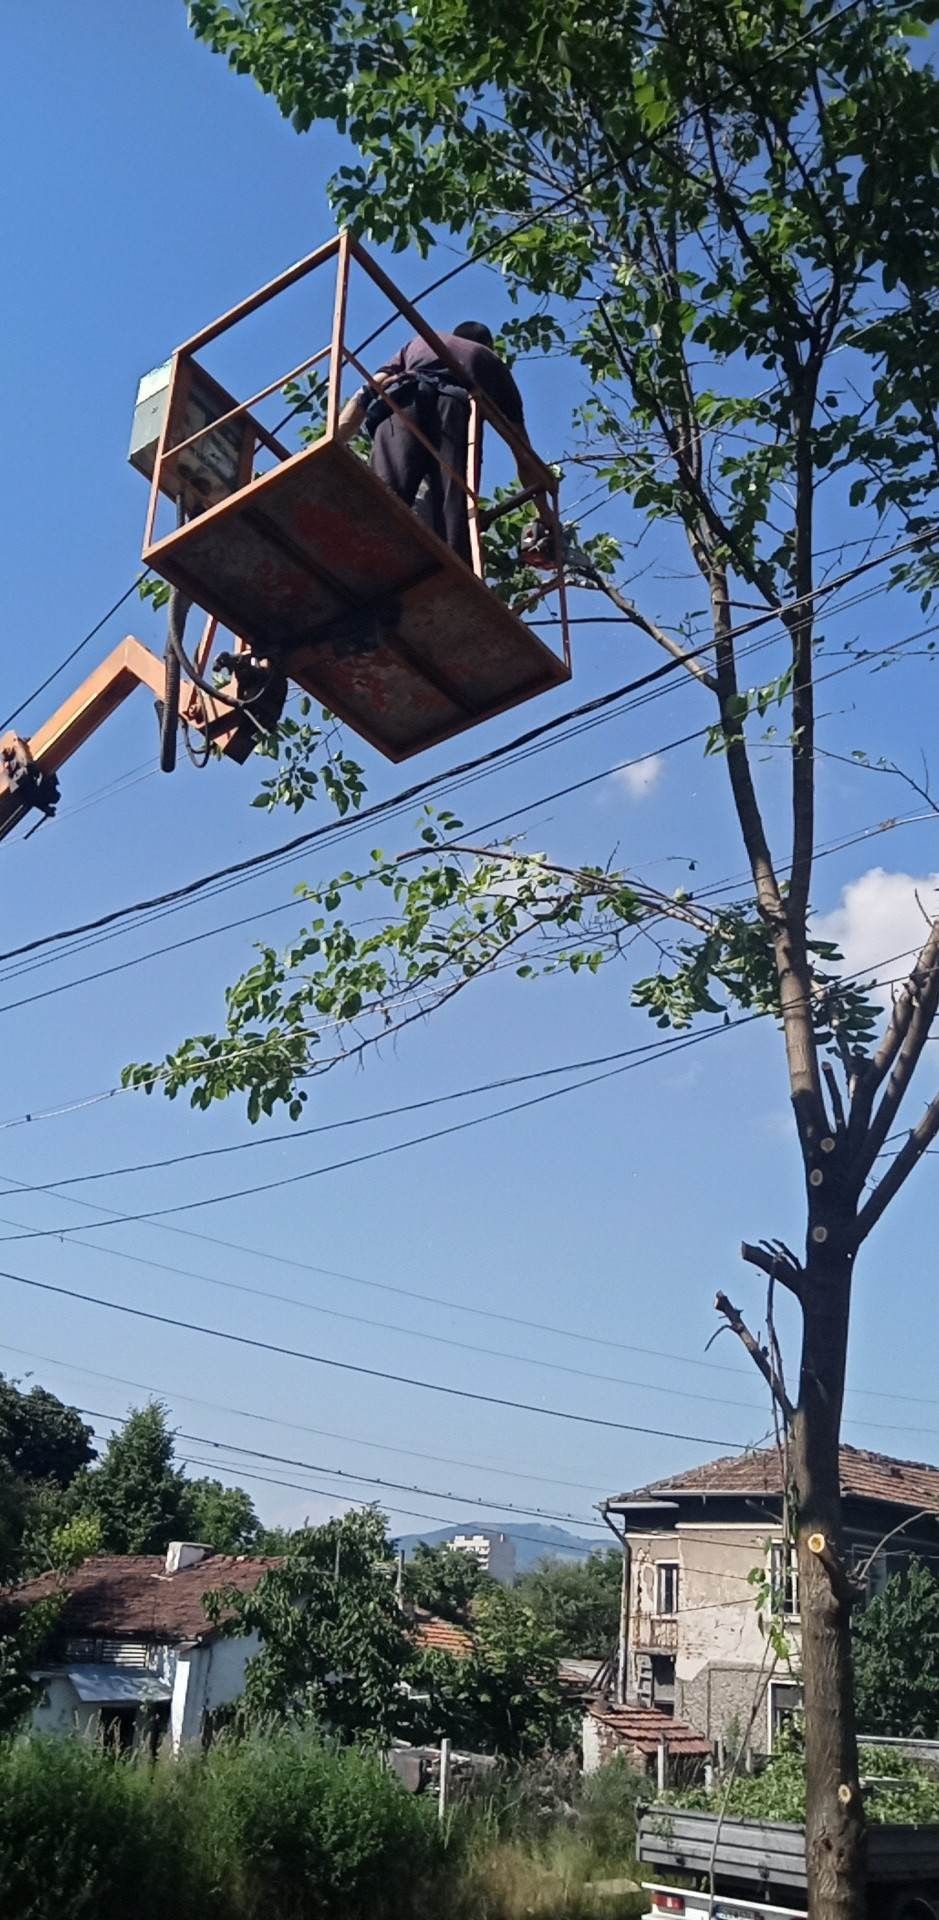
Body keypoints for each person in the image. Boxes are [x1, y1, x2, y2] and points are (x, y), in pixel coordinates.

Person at [337, 320, 548, 567]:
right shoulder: (488, 359)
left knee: (384, 493)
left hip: (402, 402)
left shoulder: (421, 342)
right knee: (450, 510)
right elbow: (522, 451)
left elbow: (366, 393)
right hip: (450, 411)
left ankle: (364, 547)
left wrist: (331, 441)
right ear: (488, 345)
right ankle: (450, 568)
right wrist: (545, 513)